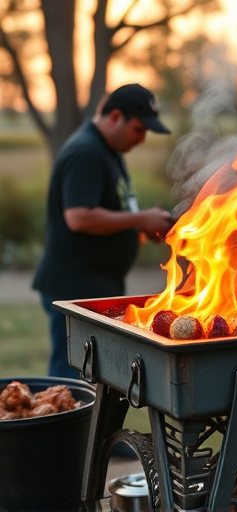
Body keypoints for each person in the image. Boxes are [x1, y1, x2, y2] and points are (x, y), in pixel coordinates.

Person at [33, 83, 176, 380]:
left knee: (94, 377)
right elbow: (79, 217)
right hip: (74, 288)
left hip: (96, 284)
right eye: (138, 128)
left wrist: (146, 225)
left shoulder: (108, 151)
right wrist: (139, 219)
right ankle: (65, 428)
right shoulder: (85, 152)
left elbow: (113, 212)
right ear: (115, 117)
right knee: (72, 376)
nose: (141, 138)